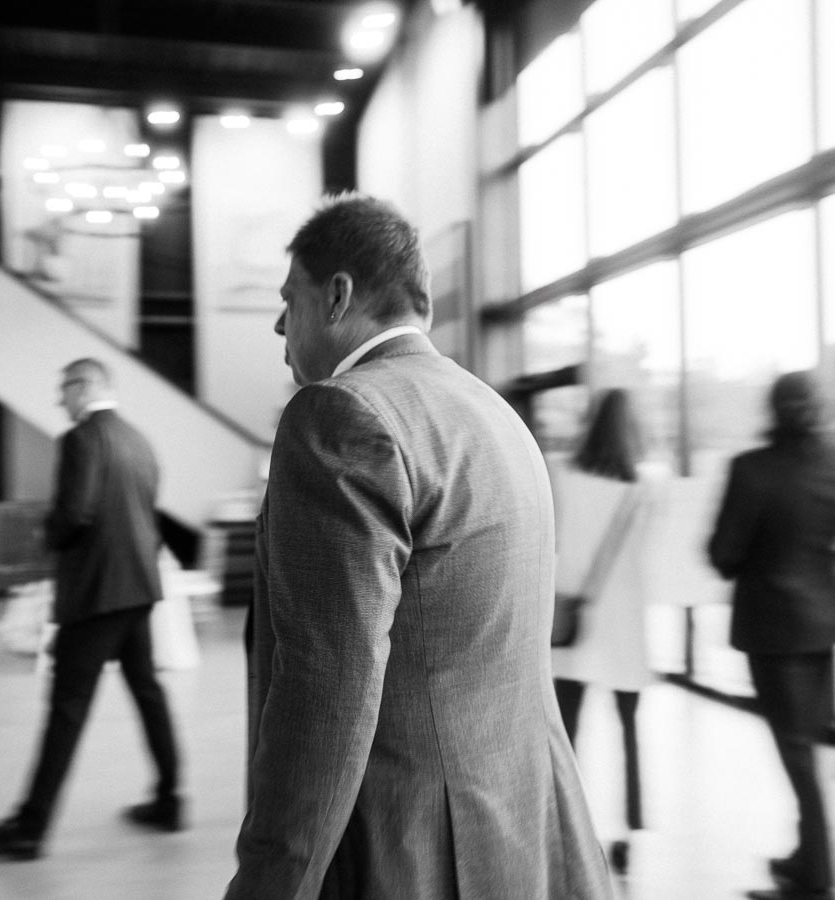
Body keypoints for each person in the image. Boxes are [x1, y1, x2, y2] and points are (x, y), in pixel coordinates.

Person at [225, 193, 612, 899]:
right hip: (513, 819)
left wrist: (271, 880)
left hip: (404, 841)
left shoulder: (341, 414)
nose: (280, 323)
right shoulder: (492, 412)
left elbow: (326, 683)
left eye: (291, 298)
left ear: (337, 295)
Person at [0, 357, 183, 860]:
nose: (60, 400)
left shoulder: (82, 439)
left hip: (98, 592)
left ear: (85, 387)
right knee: (147, 691)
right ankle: (169, 800)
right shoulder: (138, 440)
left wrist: (47, 535)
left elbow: (75, 514)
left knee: (66, 707)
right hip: (139, 587)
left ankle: (29, 829)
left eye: (63, 390)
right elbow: (144, 511)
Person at [707, 371, 835, 900]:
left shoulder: (751, 471)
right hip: (824, 620)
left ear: (774, 410)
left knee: (796, 752)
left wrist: (744, 558)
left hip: (774, 625)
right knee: (807, 744)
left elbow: (724, 554)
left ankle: (818, 874)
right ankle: (804, 858)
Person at [550, 388, 660, 876]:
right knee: (629, 730)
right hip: (625, 625)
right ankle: (630, 832)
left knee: (567, 733)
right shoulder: (646, 487)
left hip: (575, 618)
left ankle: (566, 828)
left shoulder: (564, 476)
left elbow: (553, 540)